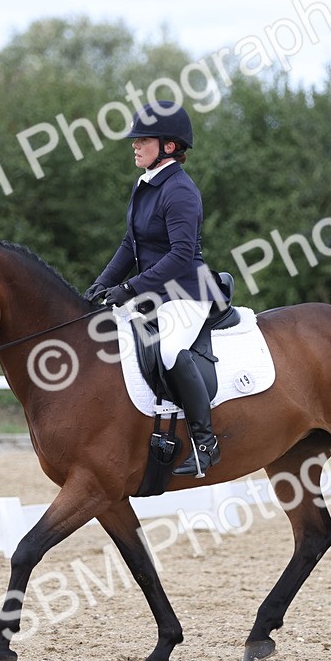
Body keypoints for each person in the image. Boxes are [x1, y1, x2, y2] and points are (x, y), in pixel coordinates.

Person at [84, 101, 222, 477]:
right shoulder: (145, 185)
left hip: (187, 293)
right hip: (153, 294)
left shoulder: (180, 191)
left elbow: (180, 255)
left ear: (169, 146)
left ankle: (206, 443)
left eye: (143, 139)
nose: (135, 145)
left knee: (171, 350)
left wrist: (129, 287)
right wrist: (102, 282)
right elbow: (130, 245)